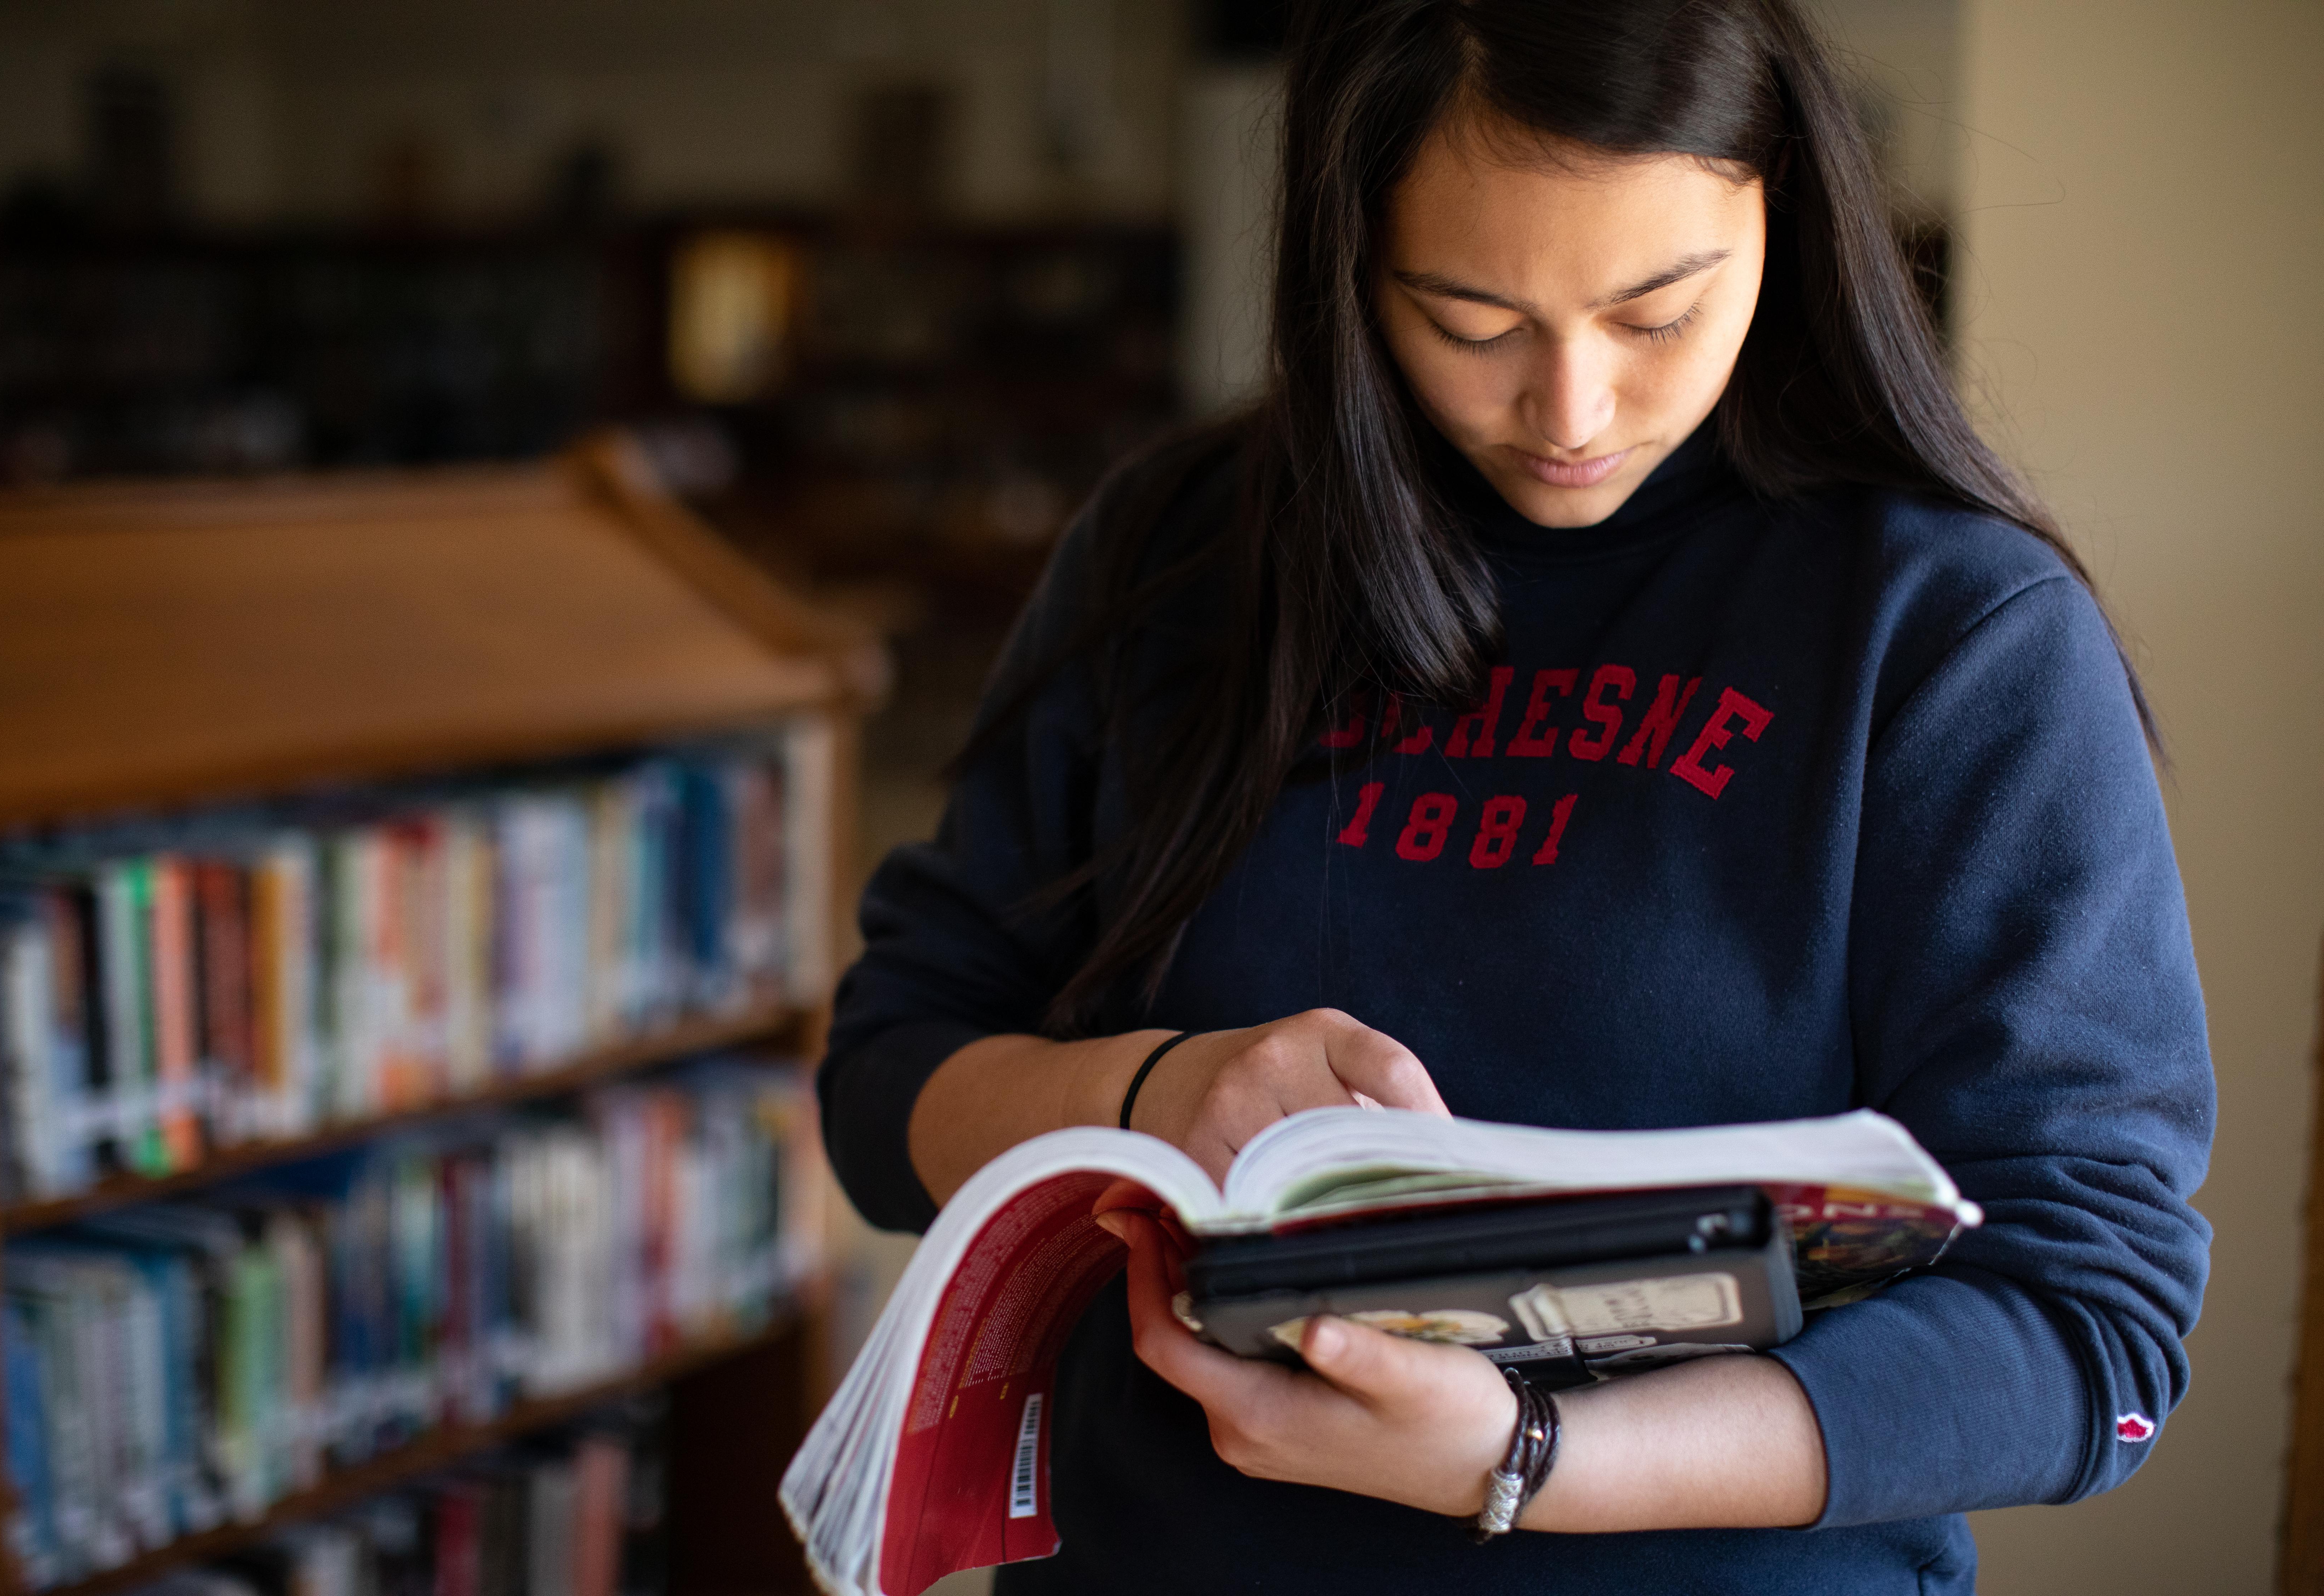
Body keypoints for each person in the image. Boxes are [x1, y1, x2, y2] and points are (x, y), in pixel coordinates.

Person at [818, 0, 2214, 1591]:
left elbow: (2090, 1328)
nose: (1571, 411)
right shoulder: (1177, 552)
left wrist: (1524, 1460)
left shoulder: (1951, 633)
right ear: (1350, 269)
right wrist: (1149, 1095)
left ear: (1790, 219)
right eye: (1471, 321)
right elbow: (883, 1086)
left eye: (1661, 311)